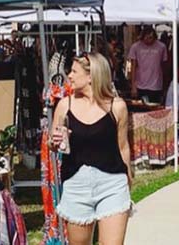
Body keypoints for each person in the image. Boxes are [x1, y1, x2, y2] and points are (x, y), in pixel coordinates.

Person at [51, 53, 132, 245]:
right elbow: (53, 143)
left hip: (112, 184)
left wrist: (128, 178)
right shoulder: (64, 106)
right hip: (76, 184)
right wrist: (53, 142)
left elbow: (123, 146)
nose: (69, 75)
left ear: (91, 76)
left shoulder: (117, 107)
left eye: (73, 71)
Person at [128, 27, 168, 104]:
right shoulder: (135, 47)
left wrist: (165, 86)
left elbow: (164, 66)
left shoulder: (162, 47)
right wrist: (133, 86)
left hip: (156, 85)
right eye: (146, 38)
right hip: (140, 85)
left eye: (151, 38)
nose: (148, 40)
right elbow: (133, 66)